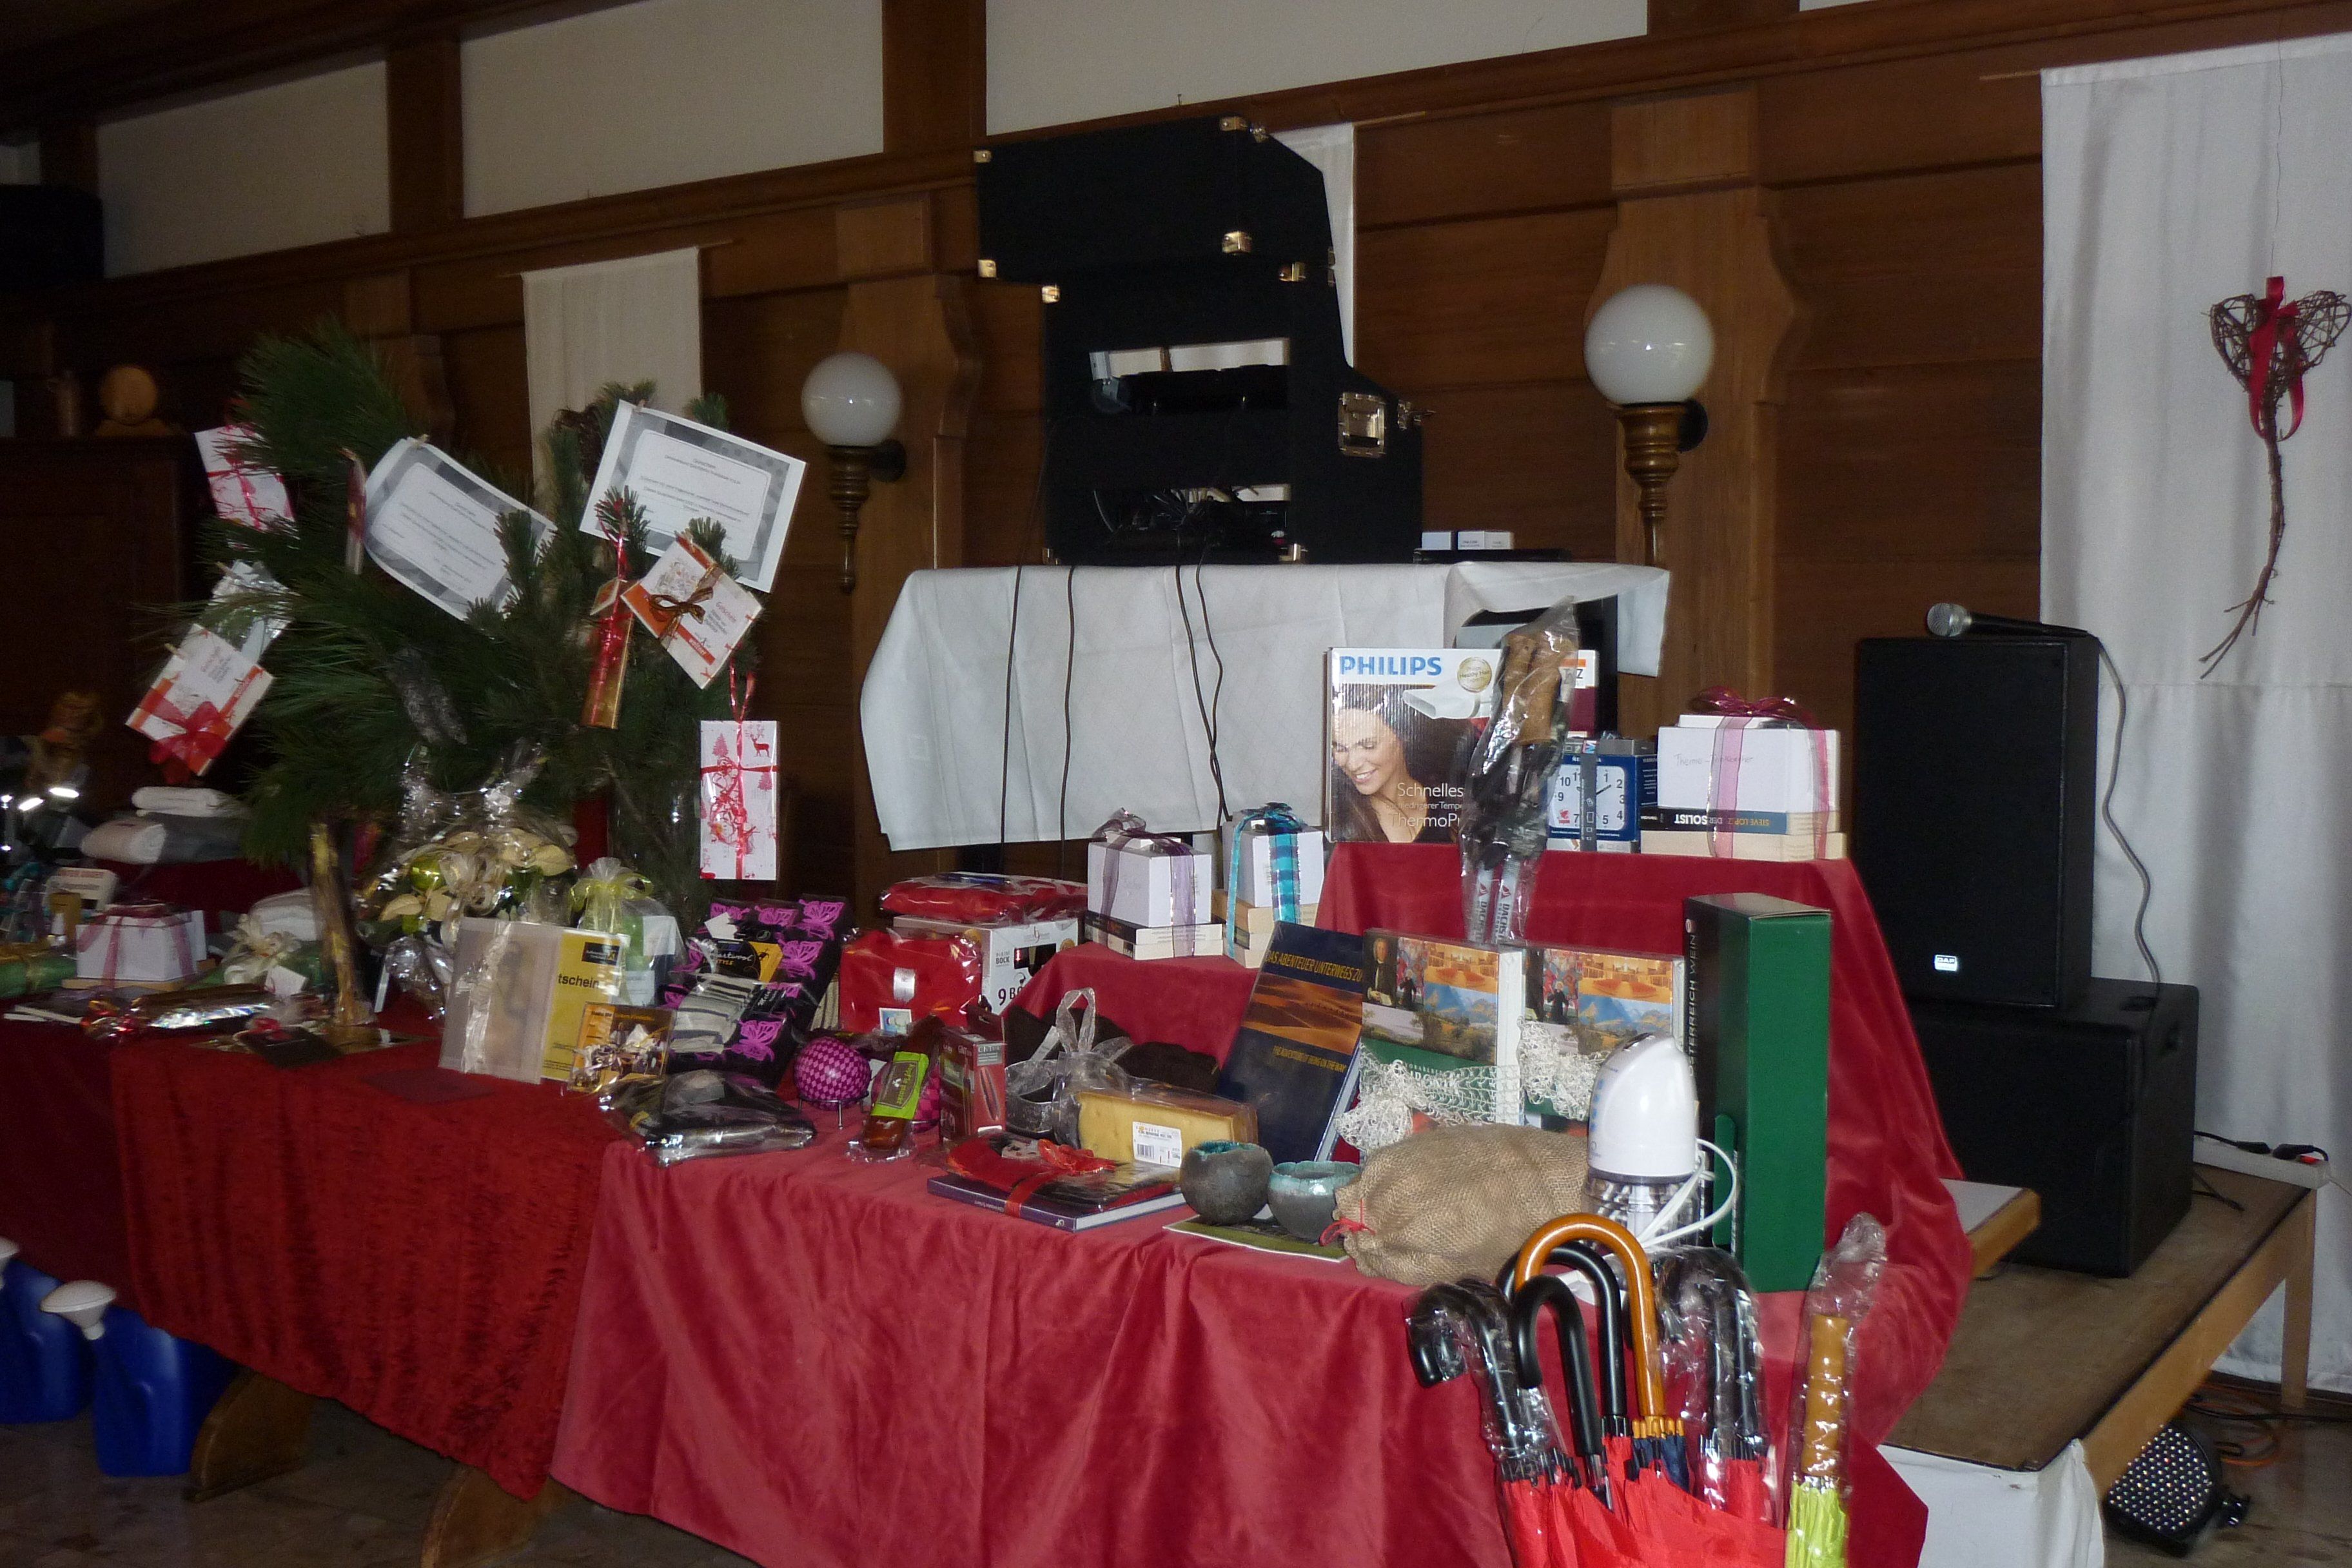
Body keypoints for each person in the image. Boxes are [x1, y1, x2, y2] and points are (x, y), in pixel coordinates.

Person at [1328, 685, 1464, 844]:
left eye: (1369, 746)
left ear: (1402, 736)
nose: (1353, 765)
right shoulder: (1341, 817)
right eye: (1340, 748)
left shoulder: (1448, 796)